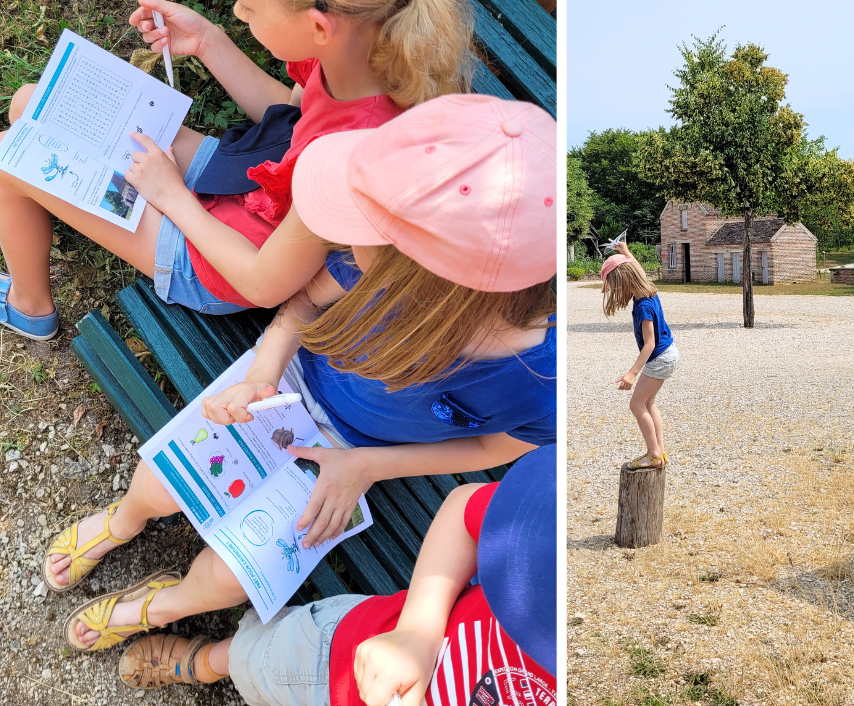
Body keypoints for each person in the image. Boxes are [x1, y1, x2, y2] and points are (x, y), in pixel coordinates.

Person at [42, 95, 556, 656]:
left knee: (229, 581)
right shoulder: (388, 259)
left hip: (357, 451)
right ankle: (125, 519)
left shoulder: (543, 381)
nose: (343, 243)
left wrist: (365, 466)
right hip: (286, 384)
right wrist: (263, 371)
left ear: (426, 281)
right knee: (157, 484)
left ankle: (164, 601)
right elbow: (307, 301)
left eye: (361, 231)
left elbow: (490, 448)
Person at [0, 0, 472, 338]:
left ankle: (30, 306)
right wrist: (208, 42)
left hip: (216, 261)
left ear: (318, 25)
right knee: (31, 104)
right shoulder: (366, 43)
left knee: (9, 157)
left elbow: (261, 282)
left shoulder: (349, 159)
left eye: (246, 5)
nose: (239, 14)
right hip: (244, 175)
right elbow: (288, 113)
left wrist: (172, 195)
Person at [114, 443, 557, 706]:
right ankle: (209, 663)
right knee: (263, 660)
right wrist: (418, 633)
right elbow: (469, 511)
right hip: (347, 653)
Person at [605, 254, 678, 470]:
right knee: (648, 403)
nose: (617, 292)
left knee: (636, 404)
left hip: (660, 357)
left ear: (626, 281)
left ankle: (654, 454)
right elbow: (636, 268)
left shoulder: (643, 306)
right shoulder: (646, 291)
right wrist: (626, 252)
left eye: (617, 287)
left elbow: (649, 343)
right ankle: (660, 452)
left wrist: (632, 373)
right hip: (669, 354)